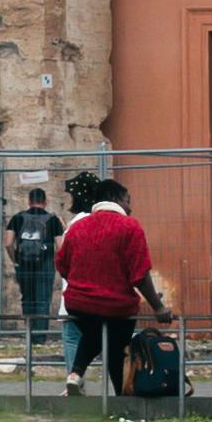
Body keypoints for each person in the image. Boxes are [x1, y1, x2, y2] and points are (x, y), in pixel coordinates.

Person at [53, 166, 150, 401]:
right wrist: (158, 306)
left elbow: (62, 263)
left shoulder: (78, 227)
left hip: (77, 302)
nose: (130, 206)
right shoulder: (130, 226)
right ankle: (121, 396)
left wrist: (80, 283)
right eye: (128, 200)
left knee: (95, 330)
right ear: (116, 199)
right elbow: (140, 274)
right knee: (117, 343)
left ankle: (75, 373)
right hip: (115, 304)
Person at [3, 174, 66, 372]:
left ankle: (30, 334)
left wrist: (16, 260)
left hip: (24, 264)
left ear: (29, 201)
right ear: (45, 202)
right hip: (45, 264)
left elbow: (8, 243)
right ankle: (41, 336)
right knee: (43, 299)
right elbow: (60, 246)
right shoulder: (53, 219)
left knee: (27, 298)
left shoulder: (17, 218)